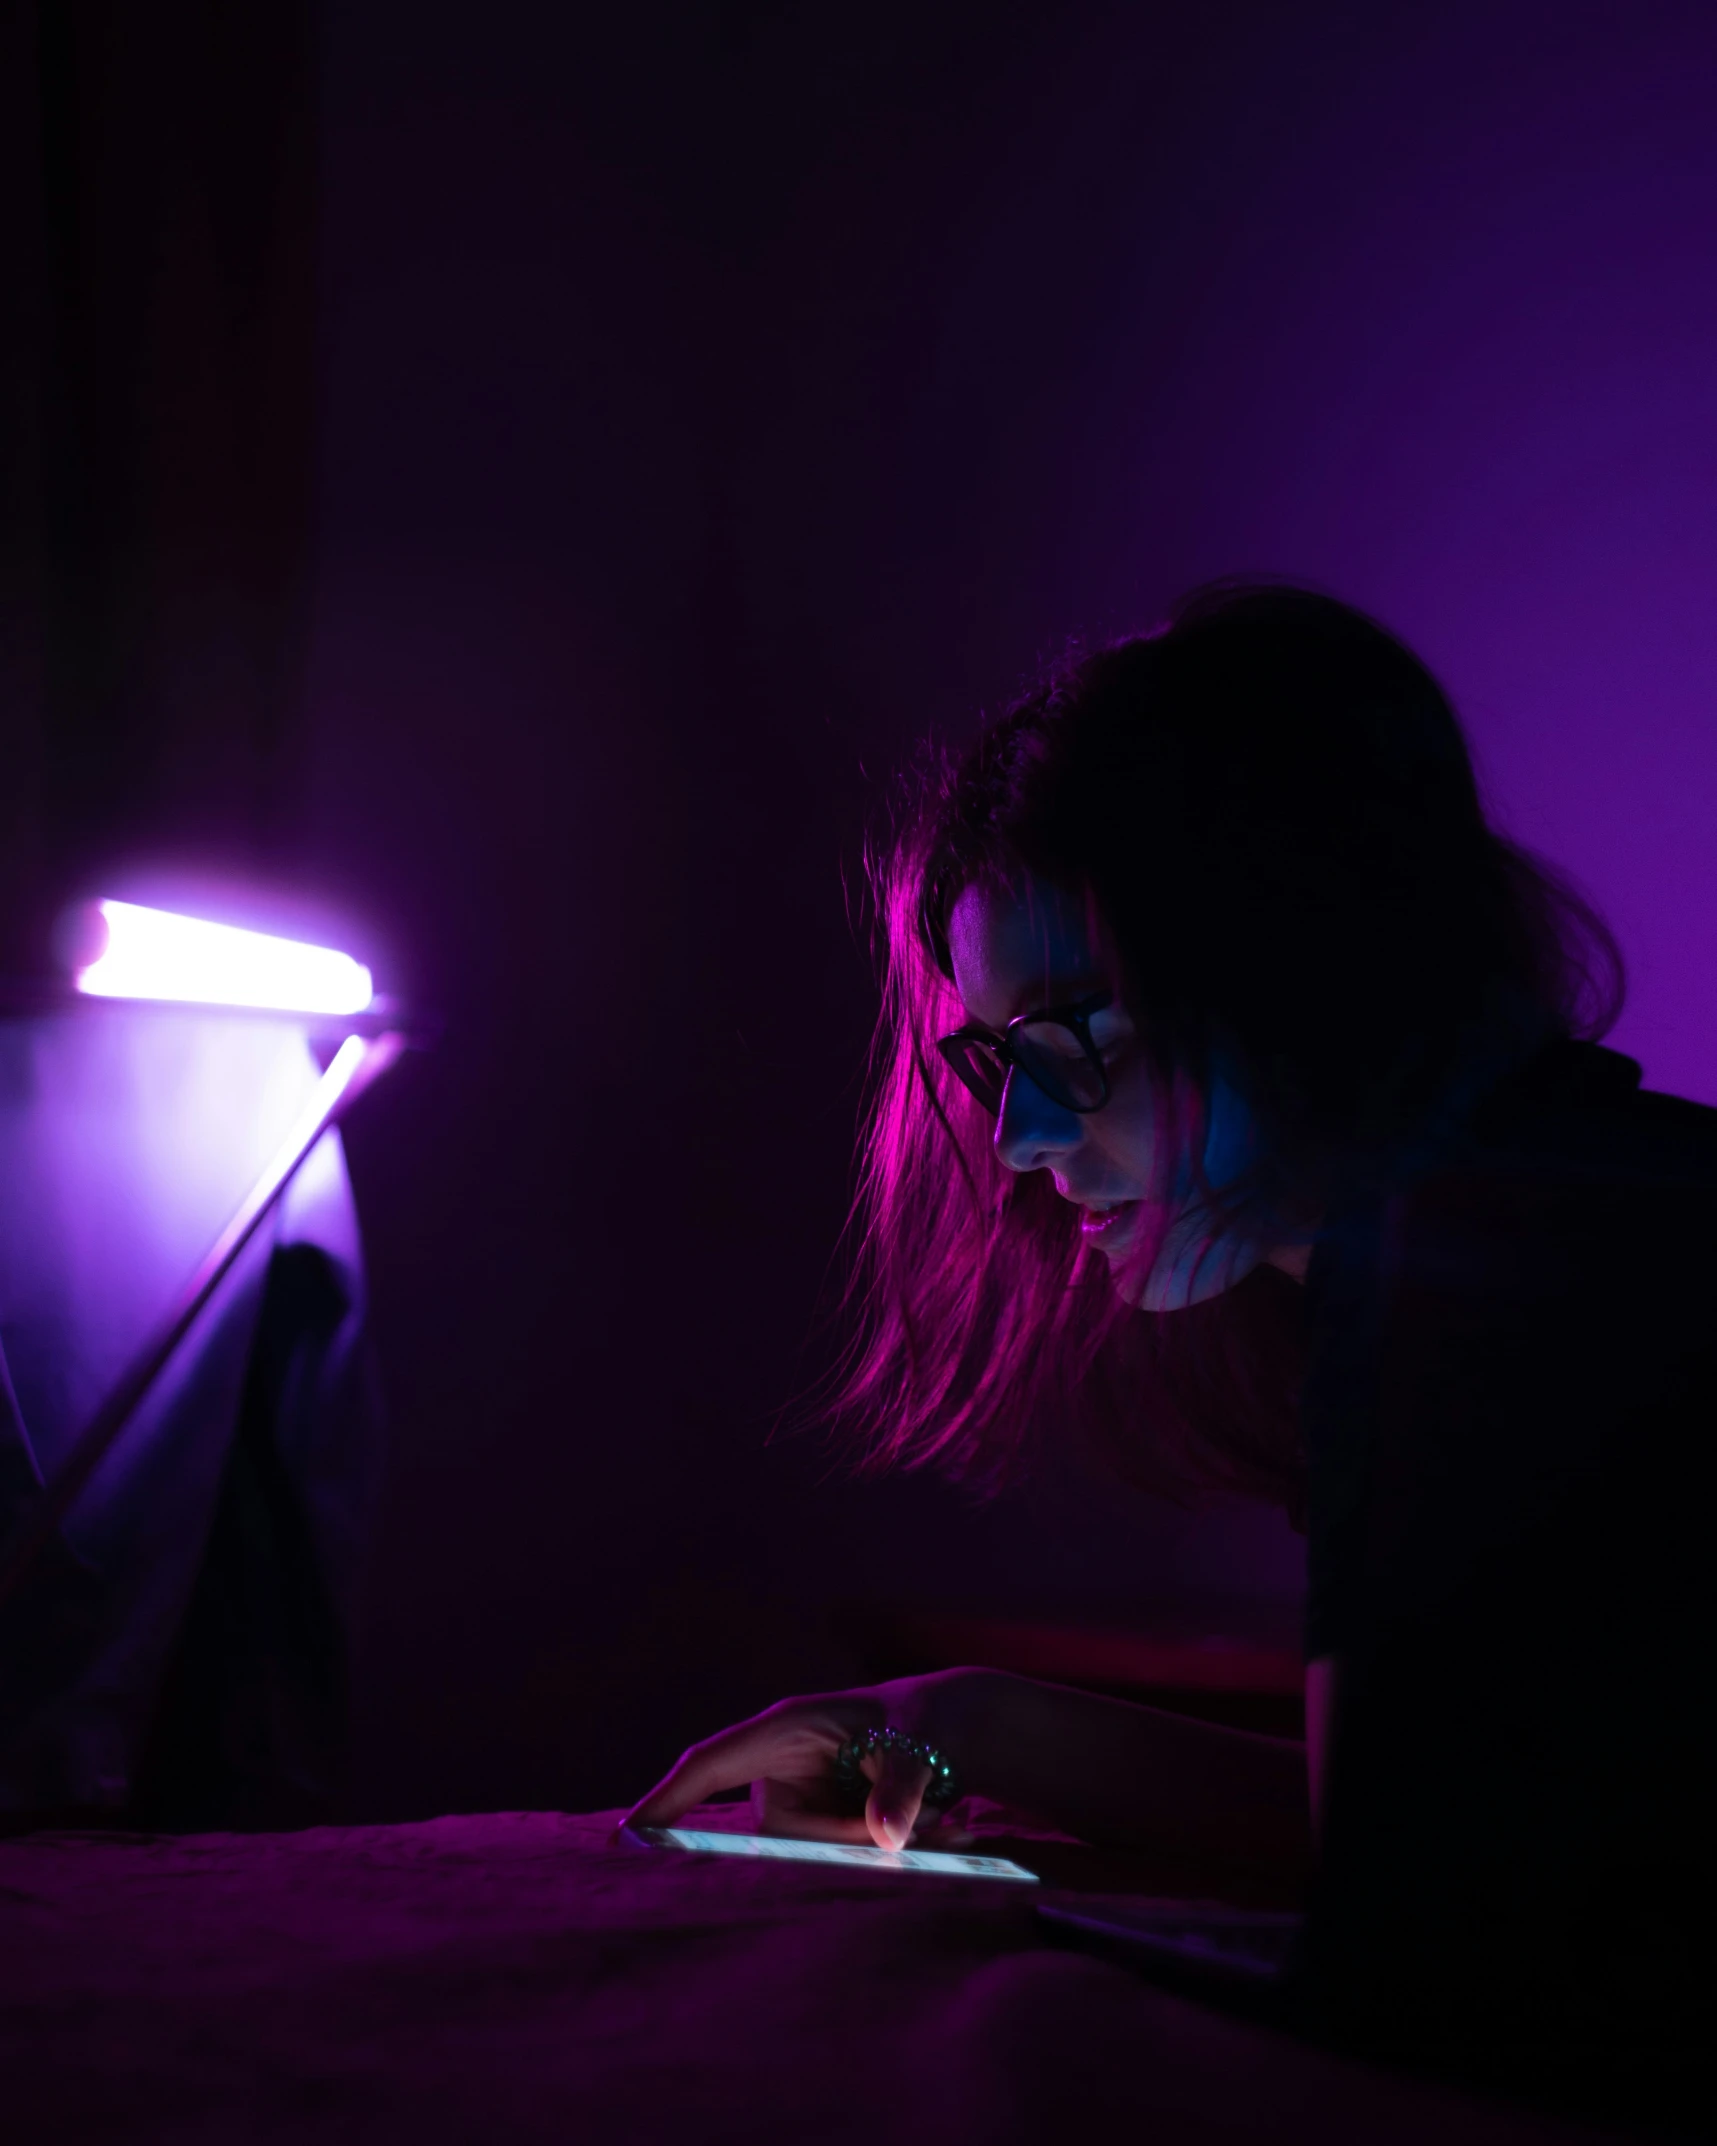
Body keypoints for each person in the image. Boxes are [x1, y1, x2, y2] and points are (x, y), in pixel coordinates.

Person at [626, 583, 1716, 2105]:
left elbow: (1413, 1975)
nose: (1014, 1138)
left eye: (1073, 1036)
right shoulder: (1534, 1218)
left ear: (1304, 963)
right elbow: (1411, 1832)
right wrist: (959, 1722)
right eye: (995, 1057)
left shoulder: (1472, 1283)